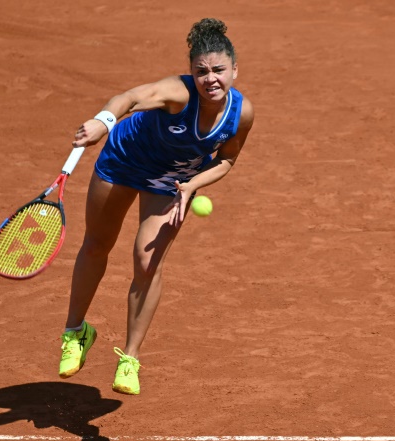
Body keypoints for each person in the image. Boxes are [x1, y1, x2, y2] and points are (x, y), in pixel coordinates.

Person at [58, 18, 254, 395]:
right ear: (191, 72)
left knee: (148, 262)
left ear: (234, 70)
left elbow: (227, 159)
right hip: (124, 159)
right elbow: (131, 97)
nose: (210, 79)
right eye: (201, 71)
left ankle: (129, 358)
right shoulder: (177, 94)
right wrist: (103, 122)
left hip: (174, 179)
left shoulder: (241, 114)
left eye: (218, 70)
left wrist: (191, 186)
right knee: (98, 245)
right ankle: (76, 332)